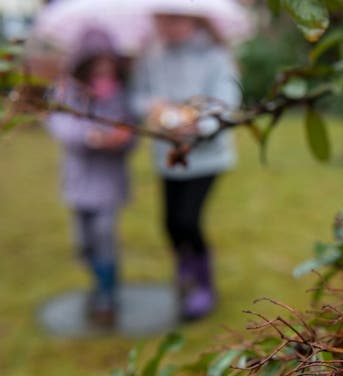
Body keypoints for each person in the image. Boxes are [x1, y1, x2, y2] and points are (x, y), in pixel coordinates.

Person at [130, 11, 241, 320]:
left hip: (206, 156)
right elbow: (138, 97)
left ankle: (204, 286)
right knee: (170, 224)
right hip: (168, 155)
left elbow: (228, 105)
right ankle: (185, 268)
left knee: (188, 220)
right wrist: (152, 108)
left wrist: (197, 126)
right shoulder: (152, 55)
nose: (165, 28)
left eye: (173, 21)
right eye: (161, 21)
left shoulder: (216, 57)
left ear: (193, 21)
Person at [46, 29, 135, 326]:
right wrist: (90, 136)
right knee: (84, 242)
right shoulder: (68, 92)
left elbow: (131, 130)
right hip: (79, 180)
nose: (103, 71)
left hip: (109, 180)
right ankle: (97, 281)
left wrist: (121, 139)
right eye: (96, 65)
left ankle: (107, 294)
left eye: (108, 65)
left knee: (104, 235)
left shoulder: (121, 95)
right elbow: (61, 127)